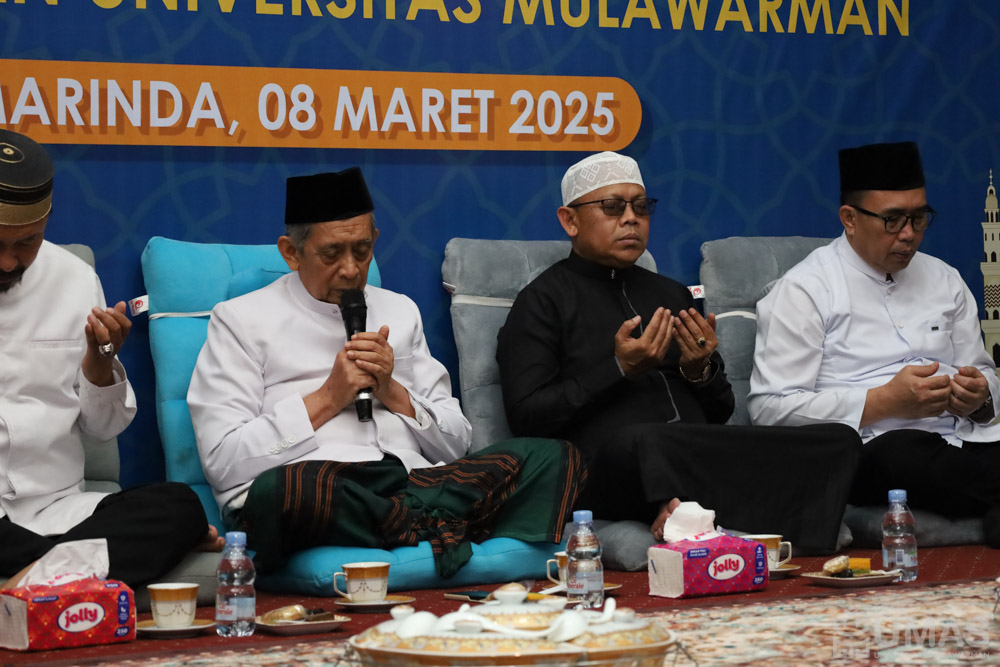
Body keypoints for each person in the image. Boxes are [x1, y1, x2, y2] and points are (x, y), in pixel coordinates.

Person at [188, 167, 585, 576]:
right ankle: (442, 527)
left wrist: (392, 391)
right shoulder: (241, 320)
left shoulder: (399, 310)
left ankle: (409, 524)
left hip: (411, 483)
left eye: (362, 250)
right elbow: (222, 462)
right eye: (331, 254)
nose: (350, 269)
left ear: (375, 240)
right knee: (283, 491)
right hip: (323, 486)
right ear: (291, 252)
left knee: (554, 457)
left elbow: (456, 444)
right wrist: (328, 398)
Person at [496, 151, 862, 554]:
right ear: (570, 220)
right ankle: (710, 511)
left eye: (641, 207)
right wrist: (619, 368)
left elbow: (720, 409)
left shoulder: (670, 294)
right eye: (613, 207)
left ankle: (684, 510)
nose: (631, 219)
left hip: (691, 452)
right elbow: (527, 416)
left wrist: (698, 371)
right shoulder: (541, 302)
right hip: (604, 468)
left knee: (837, 440)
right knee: (646, 440)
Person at [749, 141, 1000, 545]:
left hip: (960, 442)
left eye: (919, 218)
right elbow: (769, 410)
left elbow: (985, 373)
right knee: (904, 452)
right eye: (892, 220)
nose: (909, 234)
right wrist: (883, 401)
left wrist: (980, 397)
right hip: (871, 450)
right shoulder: (805, 290)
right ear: (850, 218)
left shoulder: (945, 279)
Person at [0, 129, 218, 590]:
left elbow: (102, 429)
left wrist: (100, 366)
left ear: (47, 221)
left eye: (26, 243)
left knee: (179, 507)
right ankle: (67, 572)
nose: (8, 262)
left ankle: (25, 581)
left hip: (59, 511)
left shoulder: (75, 280)